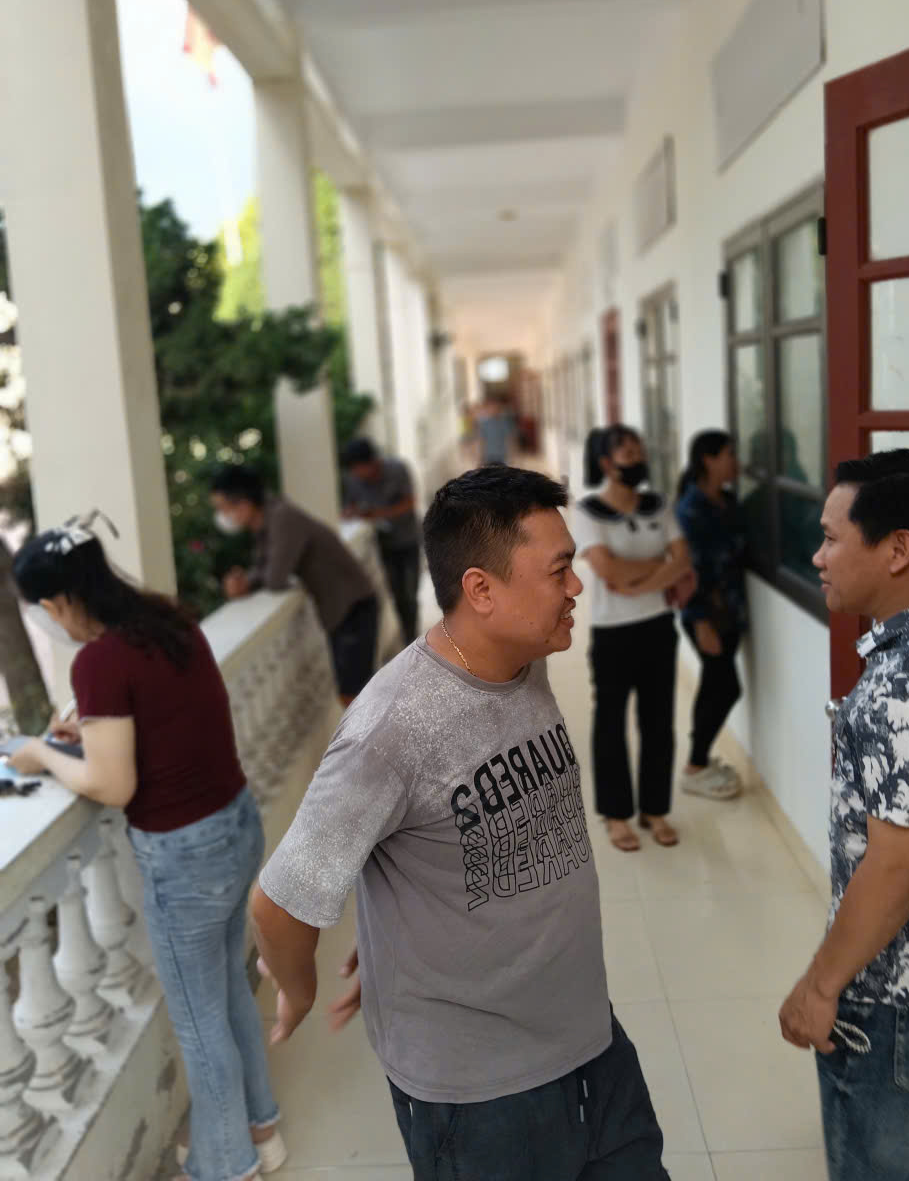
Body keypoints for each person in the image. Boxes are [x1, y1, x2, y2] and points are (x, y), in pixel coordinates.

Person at [250, 466, 671, 1181]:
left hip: (587, 1038)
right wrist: (298, 989)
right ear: (480, 590)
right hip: (480, 1098)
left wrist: (396, 936)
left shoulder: (522, 661)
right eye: (559, 571)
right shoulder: (390, 730)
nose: (576, 586)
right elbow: (280, 903)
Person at [7, 521, 285, 1181]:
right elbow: (164, 718)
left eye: (43, 609)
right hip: (235, 823)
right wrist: (87, 731)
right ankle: (261, 1127)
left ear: (56, 602)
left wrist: (42, 750)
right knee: (230, 989)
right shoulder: (166, 621)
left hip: (186, 857)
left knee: (199, 1020)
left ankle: (229, 1165)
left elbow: (113, 785)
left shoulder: (98, 660)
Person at [778, 449, 909, 1181]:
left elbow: (895, 864)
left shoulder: (904, 684)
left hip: (899, 1006)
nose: (817, 556)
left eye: (830, 537)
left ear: (897, 549)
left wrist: (820, 987)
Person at [569, 425, 694, 851]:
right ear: (606, 463)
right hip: (612, 632)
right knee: (610, 723)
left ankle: (655, 810)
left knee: (659, 722)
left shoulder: (660, 504)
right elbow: (607, 569)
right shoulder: (587, 512)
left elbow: (683, 560)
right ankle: (616, 815)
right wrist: (660, 568)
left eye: (640, 450)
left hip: (658, 626)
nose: (638, 458)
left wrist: (637, 582)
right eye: (627, 452)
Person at [210, 465, 378, 707]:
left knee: (355, 697)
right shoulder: (267, 520)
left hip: (352, 606)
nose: (221, 516)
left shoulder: (282, 518)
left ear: (244, 505)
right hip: (343, 609)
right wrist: (245, 582)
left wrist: (248, 582)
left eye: (223, 508)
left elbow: (275, 577)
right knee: (353, 696)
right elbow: (265, 567)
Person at [675, 430, 747, 800]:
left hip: (729, 611)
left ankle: (698, 762)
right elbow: (686, 571)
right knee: (725, 686)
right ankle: (695, 766)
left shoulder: (727, 501)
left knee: (714, 684)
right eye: (729, 454)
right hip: (706, 615)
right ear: (708, 459)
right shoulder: (691, 510)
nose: (736, 462)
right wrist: (700, 621)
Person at [341, 437, 421, 645]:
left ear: (371, 462)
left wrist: (378, 513)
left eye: (358, 468)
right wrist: (352, 512)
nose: (356, 474)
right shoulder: (353, 481)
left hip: (408, 540)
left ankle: (413, 636)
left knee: (410, 593)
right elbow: (349, 507)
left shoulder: (397, 469)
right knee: (397, 594)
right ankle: (408, 638)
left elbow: (410, 502)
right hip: (384, 546)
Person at [474, 394, 517, 465]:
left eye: (496, 407)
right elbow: (481, 441)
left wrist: (511, 456)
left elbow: (509, 439)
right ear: (487, 408)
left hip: (502, 456)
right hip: (488, 456)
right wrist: (480, 458)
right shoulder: (483, 423)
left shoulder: (504, 423)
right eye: (491, 407)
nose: (494, 409)